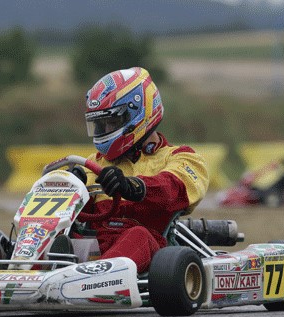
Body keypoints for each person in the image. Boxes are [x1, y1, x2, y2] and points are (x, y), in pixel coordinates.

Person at [68, 67, 209, 274]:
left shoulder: (181, 157)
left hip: (151, 251)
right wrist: (70, 190)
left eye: (112, 122)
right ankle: (21, 272)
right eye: (100, 124)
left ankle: (93, 279)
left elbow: (172, 191)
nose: (105, 131)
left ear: (139, 115)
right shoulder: (91, 164)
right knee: (59, 235)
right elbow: (81, 219)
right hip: (95, 247)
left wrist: (132, 186)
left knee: (138, 235)